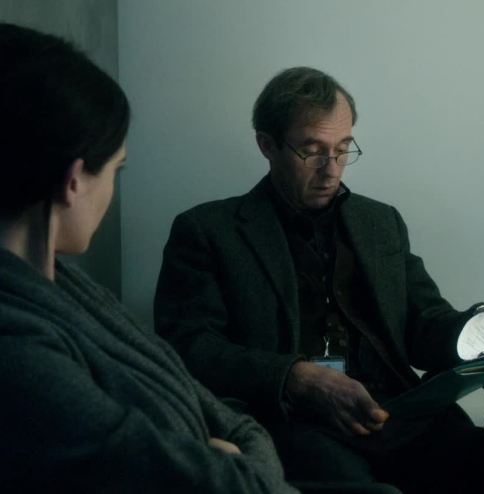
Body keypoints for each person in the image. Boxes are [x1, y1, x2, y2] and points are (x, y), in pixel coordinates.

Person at [154, 66, 484, 493]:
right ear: (267, 145)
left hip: (401, 418)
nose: (332, 170)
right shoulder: (208, 231)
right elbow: (188, 347)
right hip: (293, 426)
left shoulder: (379, 222)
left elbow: (426, 323)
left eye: (343, 149)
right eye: (312, 151)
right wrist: (296, 378)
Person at [0, 23, 298, 493]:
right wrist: (231, 459)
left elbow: (227, 423)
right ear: (74, 181)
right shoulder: (18, 348)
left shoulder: (68, 283)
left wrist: (235, 452)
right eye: (116, 169)